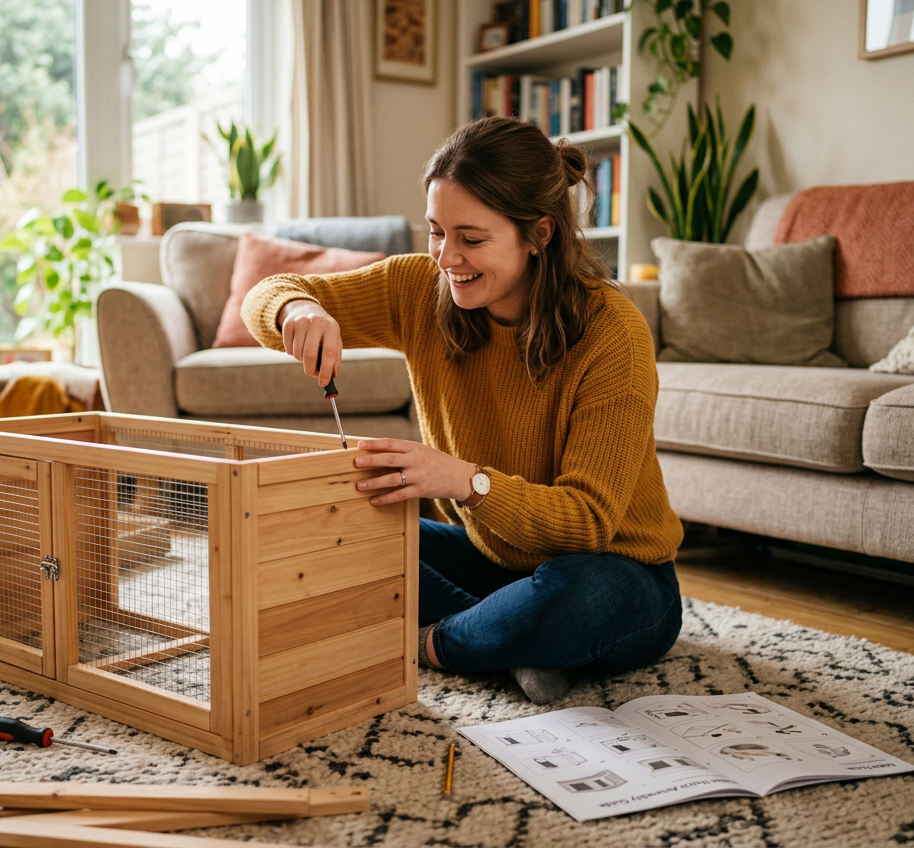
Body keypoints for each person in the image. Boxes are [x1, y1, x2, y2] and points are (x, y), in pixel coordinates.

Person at [240, 116, 684, 704]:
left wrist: (463, 481)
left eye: (471, 238)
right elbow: (264, 294)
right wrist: (297, 309)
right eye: (435, 231)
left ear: (539, 234)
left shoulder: (611, 333)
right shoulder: (419, 288)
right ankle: (508, 639)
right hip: (489, 555)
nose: (447, 257)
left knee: (581, 597)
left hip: (615, 570)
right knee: (328, 529)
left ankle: (436, 642)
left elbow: (587, 523)